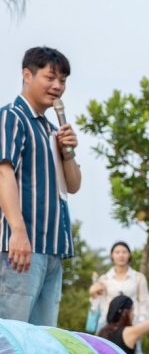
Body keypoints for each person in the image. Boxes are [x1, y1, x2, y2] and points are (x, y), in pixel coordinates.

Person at [0, 47, 80, 326]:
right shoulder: (13, 117)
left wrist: (67, 150)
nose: (58, 86)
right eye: (50, 77)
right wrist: (18, 232)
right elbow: (3, 172)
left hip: (52, 249)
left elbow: (73, 185)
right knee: (13, 341)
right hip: (22, 249)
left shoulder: (51, 130)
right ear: (27, 75)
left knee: (42, 344)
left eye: (63, 80)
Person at [90, 241, 149, 354]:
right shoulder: (104, 279)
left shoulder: (138, 277)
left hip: (130, 325)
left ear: (129, 255)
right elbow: (98, 304)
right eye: (117, 252)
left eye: (124, 252)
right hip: (108, 326)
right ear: (112, 256)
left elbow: (145, 303)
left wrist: (141, 324)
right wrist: (93, 294)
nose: (121, 255)